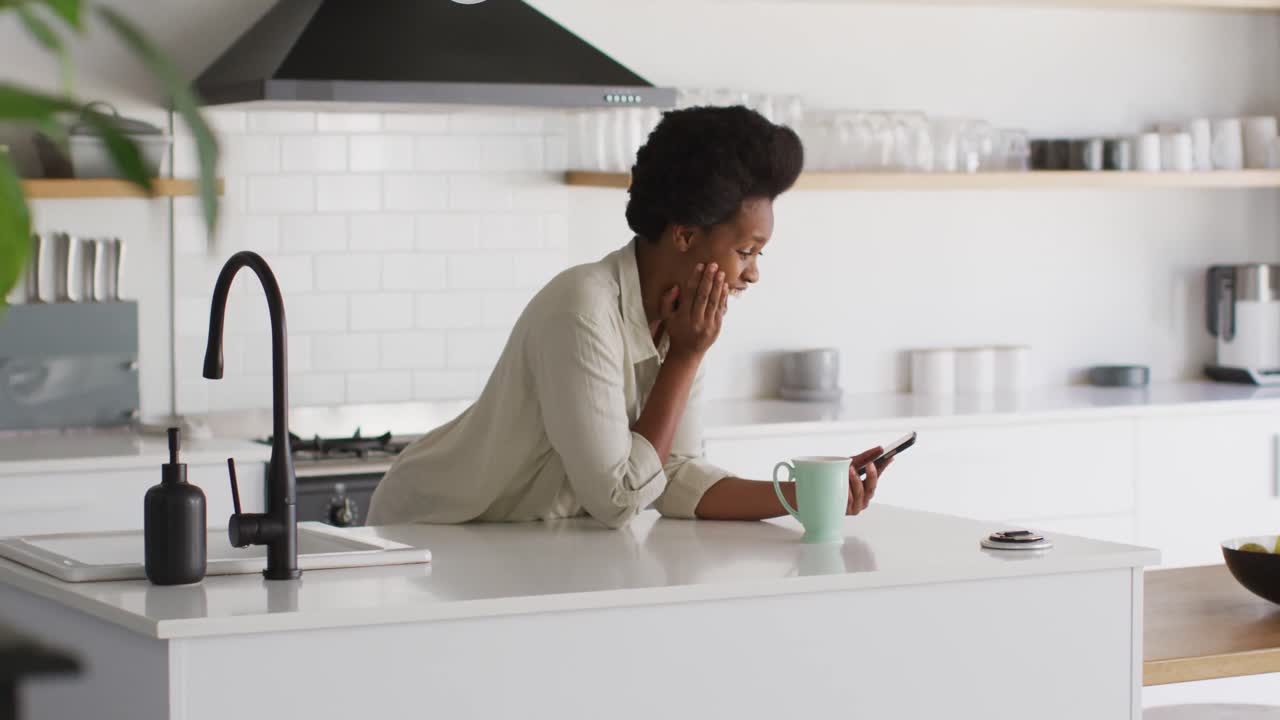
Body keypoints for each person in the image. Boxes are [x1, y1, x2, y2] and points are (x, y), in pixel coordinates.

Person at [367, 106, 891, 529]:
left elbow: (673, 475)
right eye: (747, 251)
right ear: (684, 235)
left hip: (516, 539)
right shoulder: (583, 307)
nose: (751, 275)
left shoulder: (684, 321)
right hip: (429, 531)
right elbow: (619, 498)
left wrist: (806, 496)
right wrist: (684, 358)